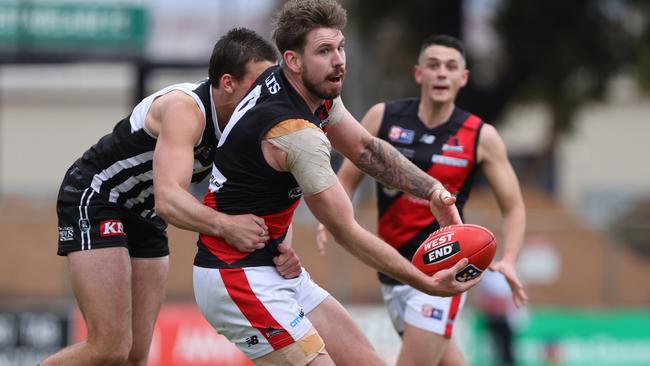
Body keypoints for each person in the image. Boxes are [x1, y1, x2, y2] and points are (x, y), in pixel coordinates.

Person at [192, 2, 481, 365]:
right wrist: (426, 282)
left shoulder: (304, 89)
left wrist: (432, 190)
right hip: (234, 276)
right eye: (324, 51)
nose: (339, 61)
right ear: (293, 60)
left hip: (275, 267)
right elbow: (345, 230)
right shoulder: (297, 133)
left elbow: (364, 148)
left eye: (340, 47)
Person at [44, 28, 302, 366]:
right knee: (109, 348)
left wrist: (284, 247)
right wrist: (225, 225)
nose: (266, 97)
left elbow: (267, 198)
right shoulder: (186, 109)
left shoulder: (248, 127)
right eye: (259, 86)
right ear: (227, 83)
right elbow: (169, 198)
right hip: (97, 197)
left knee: (136, 355)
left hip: (147, 214)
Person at [317, 34, 528, 365]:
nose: (441, 73)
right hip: (392, 267)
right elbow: (346, 178)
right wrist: (330, 216)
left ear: (463, 78)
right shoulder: (383, 118)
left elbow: (513, 207)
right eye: (433, 65)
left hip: (445, 268)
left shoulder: (480, 135)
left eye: (450, 67)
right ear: (419, 74)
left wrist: (510, 259)